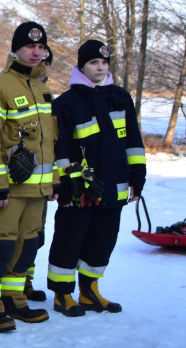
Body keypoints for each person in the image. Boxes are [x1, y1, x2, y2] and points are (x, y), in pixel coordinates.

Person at [0, 22, 57, 332]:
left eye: (40, 47)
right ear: (16, 49)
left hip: (38, 191)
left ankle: (14, 299)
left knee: (27, 247)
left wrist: (54, 180)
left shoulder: (42, 88)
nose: (36, 52)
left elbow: (49, 141)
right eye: (30, 46)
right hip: (9, 189)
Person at [46, 40, 145, 315]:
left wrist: (138, 174)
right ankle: (62, 295)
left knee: (104, 239)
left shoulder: (120, 97)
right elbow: (60, 145)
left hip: (114, 183)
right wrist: (67, 180)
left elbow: (133, 141)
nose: (100, 68)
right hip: (81, 187)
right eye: (93, 63)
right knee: (70, 238)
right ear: (81, 66)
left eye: (104, 63)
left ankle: (90, 291)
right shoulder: (66, 103)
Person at [22, 46, 54, 303]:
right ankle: (11, 285)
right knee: (12, 239)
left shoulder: (46, 97)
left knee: (36, 237)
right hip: (20, 184)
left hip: (42, 186)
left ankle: (27, 281)